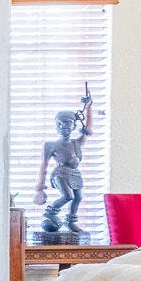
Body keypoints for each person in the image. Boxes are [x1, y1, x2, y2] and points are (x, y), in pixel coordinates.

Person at [35, 85, 96, 237]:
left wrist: (89, 107)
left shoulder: (77, 142)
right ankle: (50, 213)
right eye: (61, 124)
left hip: (74, 174)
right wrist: (40, 186)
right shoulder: (51, 145)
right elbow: (44, 165)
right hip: (60, 174)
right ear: (57, 126)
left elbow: (88, 129)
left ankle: (71, 221)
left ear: (74, 126)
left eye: (68, 123)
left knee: (78, 197)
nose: (64, 127)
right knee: (68, 196)